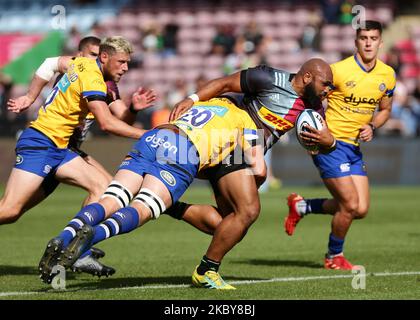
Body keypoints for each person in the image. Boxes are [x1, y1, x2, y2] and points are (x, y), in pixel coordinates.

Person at [39, 58, 336, 289]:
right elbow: (223, 84)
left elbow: (319, 145)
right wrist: (192, 98)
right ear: (307, 77)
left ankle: (170, 207)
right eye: (325, 84)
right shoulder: (268, 79)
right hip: (234, 143)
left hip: (207, 140)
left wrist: (328, 142)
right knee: (248, 211)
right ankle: (206, 270)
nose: (327, 92)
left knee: (223, 224)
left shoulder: (314, 108)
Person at [2, 36, 146, 277]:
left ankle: (76, 250)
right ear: (104, 57)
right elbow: (107, 123)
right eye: (122, 62)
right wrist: (149, 134)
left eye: (127, 62)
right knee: (9, 211)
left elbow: (50, 63)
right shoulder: (93, 78)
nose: (126, 68)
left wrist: (30, 96)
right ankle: (77, 250)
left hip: (61, 148)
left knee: (105, 189)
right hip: (42, 142)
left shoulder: (80, 64)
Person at [283, 20, 396, 270]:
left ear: (380, 42)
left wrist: (373, 125)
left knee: (361, 208)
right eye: (363, 38)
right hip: (329, 144)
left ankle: (302, 206)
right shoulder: (337, 71)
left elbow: (386, 110)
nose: (368, 43)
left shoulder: (387, 75)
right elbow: (308, 96)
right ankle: (334, 257)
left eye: (373, 38)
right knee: (350, 204)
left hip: (354, 147)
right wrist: (309, 130)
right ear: (356, 42)